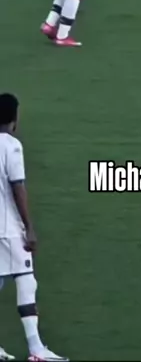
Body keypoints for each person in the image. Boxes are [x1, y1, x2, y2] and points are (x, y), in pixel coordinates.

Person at [0, 93, 67, 361]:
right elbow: (18, 187)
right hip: (8, 229)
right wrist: (29, 227)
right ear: (14, 119)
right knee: (27, 281)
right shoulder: (11, 146)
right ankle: (36, 349)